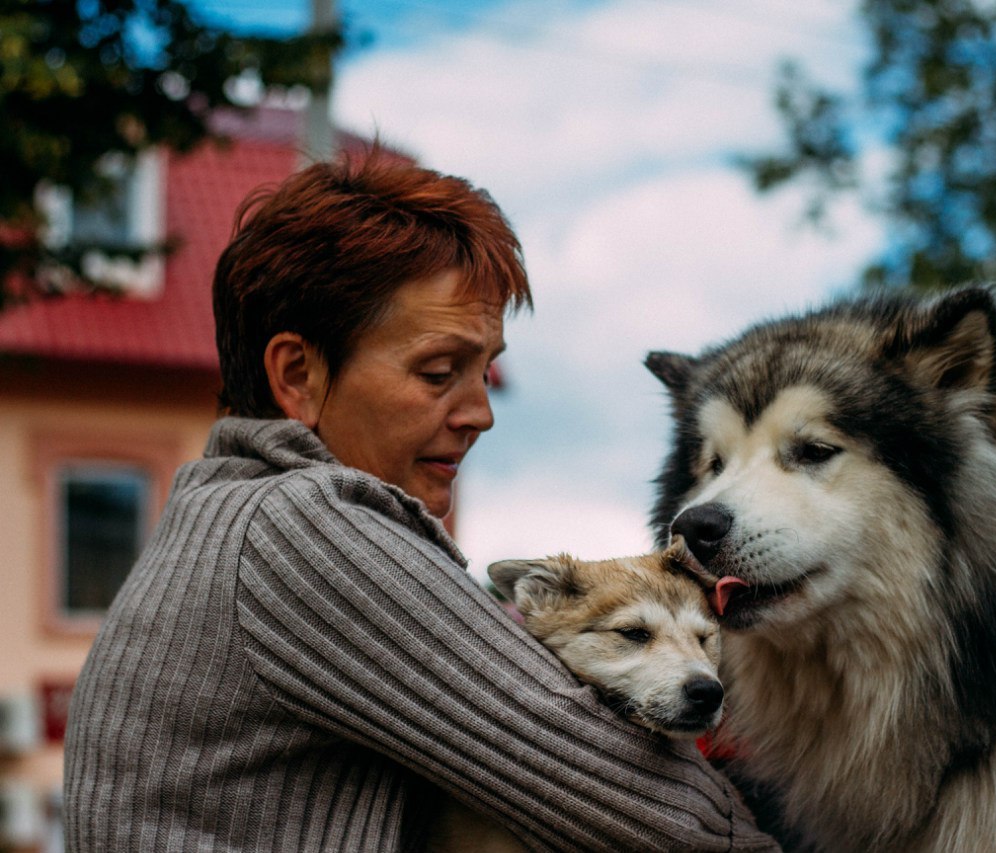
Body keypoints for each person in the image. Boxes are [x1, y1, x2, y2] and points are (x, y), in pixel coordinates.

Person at [62, 151, 778, 852]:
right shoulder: (306, 530)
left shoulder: (223, 516)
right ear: (297, 374)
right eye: (439, 372)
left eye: (485, 370)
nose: (480, 413)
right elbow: (633, 801)